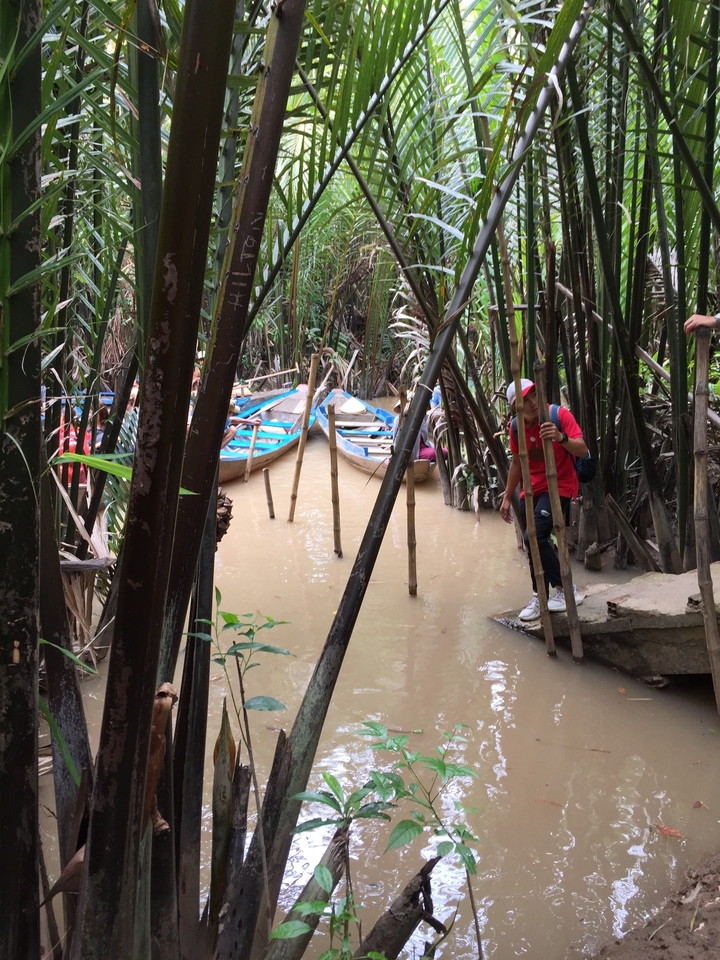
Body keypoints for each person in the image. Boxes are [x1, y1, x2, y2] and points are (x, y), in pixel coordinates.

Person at [499, 378, 589, 620]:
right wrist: (507, 496)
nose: (531, 403)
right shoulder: (516, 427)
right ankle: (540, 596)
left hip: (561, 484)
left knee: (534, 535)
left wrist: (561, 438)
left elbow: (583, 449)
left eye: (533, 396)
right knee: (531, 541)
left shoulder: (557, 415)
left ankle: (566, 589)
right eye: (524, 400)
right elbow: (518, 461)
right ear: (515, 407)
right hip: (532, 488)